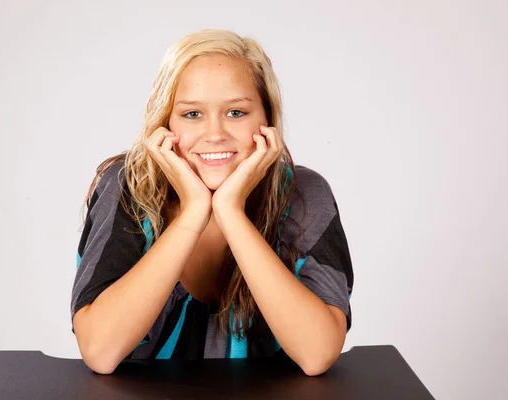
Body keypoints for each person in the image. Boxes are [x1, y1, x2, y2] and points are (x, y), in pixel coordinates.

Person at [70, 29, 354, 377]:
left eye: (236, 112)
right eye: (192, 114)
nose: (215, 134)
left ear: (266, 121)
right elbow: (100, 350)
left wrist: (231, 212)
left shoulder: (305, 193)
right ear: (165, 123)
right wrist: (192, 213)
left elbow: (317, 354)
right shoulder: (128, 186)